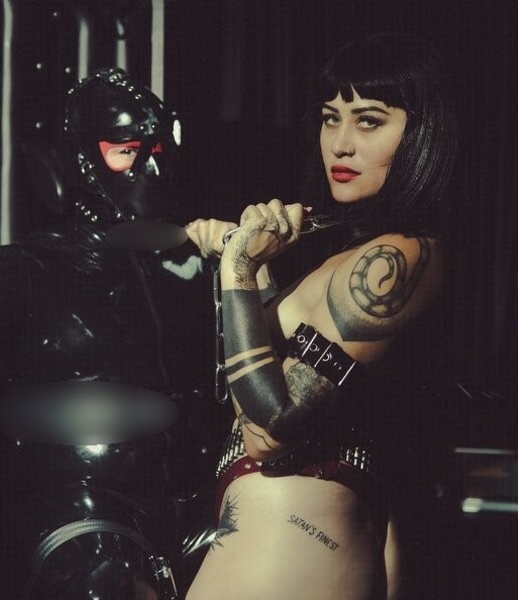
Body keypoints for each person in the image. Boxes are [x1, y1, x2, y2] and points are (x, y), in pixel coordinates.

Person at [0, 67, 216, 599]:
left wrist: (242, 271)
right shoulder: (27, 268)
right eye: (127, 152)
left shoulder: (182, 271)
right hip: (73, 516)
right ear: (82, 161)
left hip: (181, 509)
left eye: (157, 152)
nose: (150, 169)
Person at [184, 32, 457, 600]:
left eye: (369, 121)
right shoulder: (364, 250)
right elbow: (275, 376)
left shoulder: (396, 258)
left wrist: (238, 268)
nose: (341, 144)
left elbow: (270, 431)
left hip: (293, 547)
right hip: (293, 544)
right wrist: (257, 269)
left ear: (422, 134)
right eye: (331, 119)